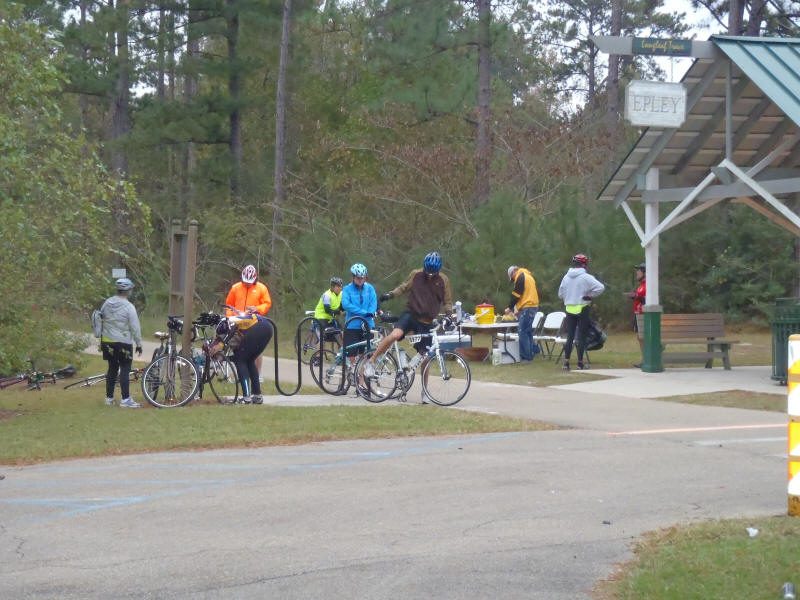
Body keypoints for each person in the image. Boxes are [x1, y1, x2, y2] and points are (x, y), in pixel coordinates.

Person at [365, 252, 453, 378]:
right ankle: (371, 361)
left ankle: (425, 391)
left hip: (427, 321)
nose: (430, 275)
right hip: (411, 314)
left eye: (433, 273)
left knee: (425, 357)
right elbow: (403, 287)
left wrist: (449, 315)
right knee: (396, 334)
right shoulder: (416, 274)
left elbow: (448, 301)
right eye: (428, 272)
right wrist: (390, 295)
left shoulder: (444, 280)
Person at [99, 278, 143, 408]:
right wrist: (139, 344)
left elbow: (100, 319)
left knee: (112, 368)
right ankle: (125, 399)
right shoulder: (129, 306)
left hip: (107, 341)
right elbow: (135, 327)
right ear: (128, 290)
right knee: (125, 369)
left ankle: (109, 398)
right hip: (123, 342)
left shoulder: (106, 303)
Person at [557, 254, 605, 371]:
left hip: (569, 309)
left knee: (570, 336)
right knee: (581, 337)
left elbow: (560, 294)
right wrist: (590, 295)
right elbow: (601, 287)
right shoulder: (586, 277)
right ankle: (580, 363)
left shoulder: (566, 277)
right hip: (582, 308)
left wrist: (568, 298)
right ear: (584, 264)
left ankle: (566, 363)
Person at [224, 264, 272, 380]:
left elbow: (267, 303)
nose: (247, 284)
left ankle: (258, 374)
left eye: (249, 282)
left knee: (256, 349)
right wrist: (230, 318)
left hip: (254, 322)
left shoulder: (261, 288)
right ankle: (241, 374)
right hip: (238, 322)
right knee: (237, 348)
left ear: (255, 279)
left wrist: (258, 309)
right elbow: (228, 305)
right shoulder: (236, 288)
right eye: (245, 282)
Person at [213, 313, 273, 404]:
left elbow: (231, 331)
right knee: (249, 360)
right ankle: (257, 396)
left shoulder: (227, 322)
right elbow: (234, 341)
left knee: (240, 360)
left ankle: (246, 398)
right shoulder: (238, 322)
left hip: (258, 327)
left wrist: (220, 345)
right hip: (267, 327)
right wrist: (224, 357)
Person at [341, 263, 378, 369]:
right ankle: (349, 377)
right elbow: (346, 304)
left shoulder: (370, 288)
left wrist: (370, 311)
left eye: (363, 278)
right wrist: (363, 312)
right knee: (351, 355)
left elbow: (373, 302)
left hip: (367, 325)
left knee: (365, 354)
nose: (361, 280)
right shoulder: (347, 289)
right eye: (358, 278)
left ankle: (361, 380)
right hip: (352, 325)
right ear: (353, 277)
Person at [504, 265, 540, 363]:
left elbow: (516, 295)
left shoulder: (520, 277)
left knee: (522, 331)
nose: (513, 280)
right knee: (527, 331)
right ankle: (534, 352)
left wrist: (509, 307)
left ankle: (526, 357)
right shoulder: (528, 276)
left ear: (513, 272)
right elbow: (528, 294)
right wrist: (520, 310)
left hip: (528, 306)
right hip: (532, 305)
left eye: (512, 277)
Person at [624, 263, 646, 367]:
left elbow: (647, 299)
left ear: (645, 273)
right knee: (640, 337)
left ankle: (646, 360)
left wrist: (637, 297)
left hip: (643, 315)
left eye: (639, 270)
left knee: (642, 338)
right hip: (638, 314)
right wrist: (634, 296)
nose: (637, 272)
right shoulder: (641, 285)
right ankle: (645, 359)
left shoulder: (647, 285)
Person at [313, 277, 344, 342]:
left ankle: (343, 351)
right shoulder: (327, 295)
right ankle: (319, 352)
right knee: (323, 338)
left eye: (341, 286)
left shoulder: (341, 294)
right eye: (338, 286)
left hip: (330, 318)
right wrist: (339, 312)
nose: (340, 288)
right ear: (332, 287)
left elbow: (341, 306)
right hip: (321, 317)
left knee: (342, 332)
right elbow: (327, 310)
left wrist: (344, 310)